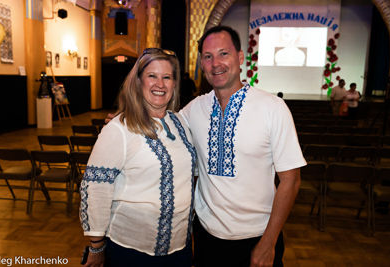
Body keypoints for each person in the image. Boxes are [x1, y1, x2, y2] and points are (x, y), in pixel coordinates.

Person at [179, 26, 306, 267]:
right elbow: (160, 128)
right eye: (208, 56)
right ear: (202, 64)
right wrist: (125, 122)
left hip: (257, 238)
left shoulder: (273, 108)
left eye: (223, 54)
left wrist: (269, 242)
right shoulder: (194, 109)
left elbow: (291, 180)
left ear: (239, 57)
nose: (216, 63)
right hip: (206, 237)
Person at [80, 48, 196, 267]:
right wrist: (97, 245)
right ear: (138, 81)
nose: (160, 84)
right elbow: (96, 187)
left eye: (167, 77)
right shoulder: (119, 128)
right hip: (132, 251)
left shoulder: (181, 123)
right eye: (152, 76)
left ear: (174, 84)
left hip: (180, 249)